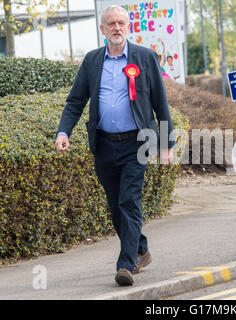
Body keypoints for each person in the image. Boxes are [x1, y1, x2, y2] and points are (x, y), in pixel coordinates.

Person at [55, 5, 175, 286]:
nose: (117, 28)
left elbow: (161, 104)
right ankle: (141, 249)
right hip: (104, 144)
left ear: (128, 26)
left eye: (121, 22)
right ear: (103, 30)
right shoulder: (92, 60)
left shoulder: (145, 58)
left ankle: (126, 264)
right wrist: (63, 132)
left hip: (138, 143)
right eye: (111, 24)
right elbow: (75, 101)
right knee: (114, 205)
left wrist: (166, 144)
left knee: (128, 201)